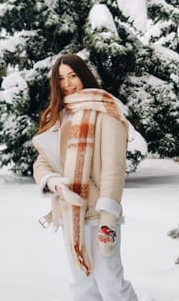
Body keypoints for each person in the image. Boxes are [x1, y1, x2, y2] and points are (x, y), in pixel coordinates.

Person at [32, 53, 138, 301]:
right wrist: (55, 183)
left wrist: (108, 220)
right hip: (70, 213)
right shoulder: (59, 115)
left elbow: (113, 169)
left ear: (84, 75)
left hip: (98, 215)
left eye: (73, 76)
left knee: (111, 283)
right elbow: (42, 162)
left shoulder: (105, 112)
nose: (67, 83)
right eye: (61, 78)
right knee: (82, 283)